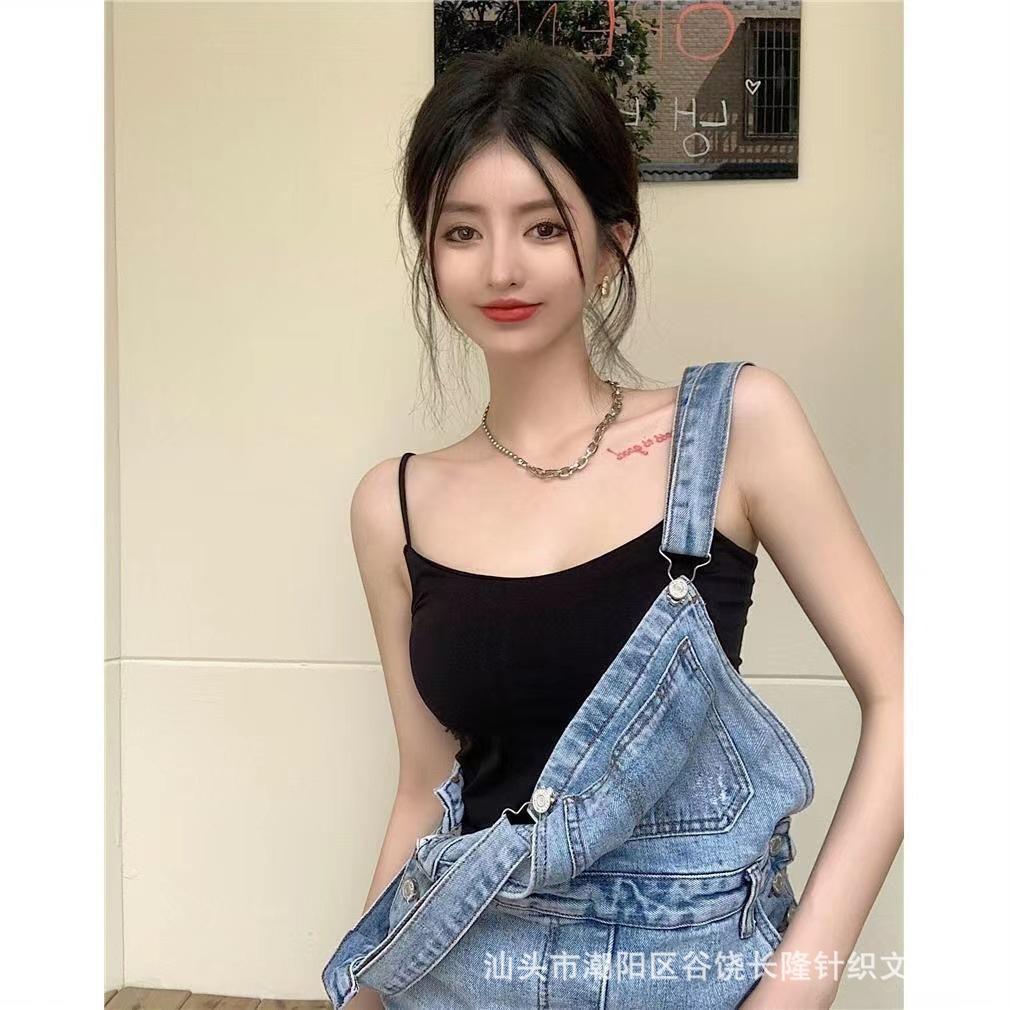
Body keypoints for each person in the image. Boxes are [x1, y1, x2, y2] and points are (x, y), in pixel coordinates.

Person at [325, 37, 903, 1010]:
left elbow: (908, 698)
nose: (500, 266)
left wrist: (795, 989)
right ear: (428, 252)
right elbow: (425, 788)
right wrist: (368, 995)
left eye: (543, 226)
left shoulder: (733, 428)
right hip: (463, 973)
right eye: (461, 230)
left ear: (610, 244)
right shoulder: (394, 505)